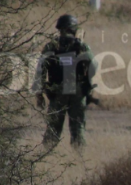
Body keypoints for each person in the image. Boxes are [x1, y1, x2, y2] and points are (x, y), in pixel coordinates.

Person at [33, 14, 97, 149]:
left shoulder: (51, 46)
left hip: (57, 92)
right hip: (77, 91)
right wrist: (88, 86)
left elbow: (40, 70)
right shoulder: (82, 46)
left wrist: (39, 93)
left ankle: (46, 160)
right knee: (78, 128)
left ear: (59, 29)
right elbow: (93, 65)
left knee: (52, 129)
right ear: (74, 29)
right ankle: (80, 160)